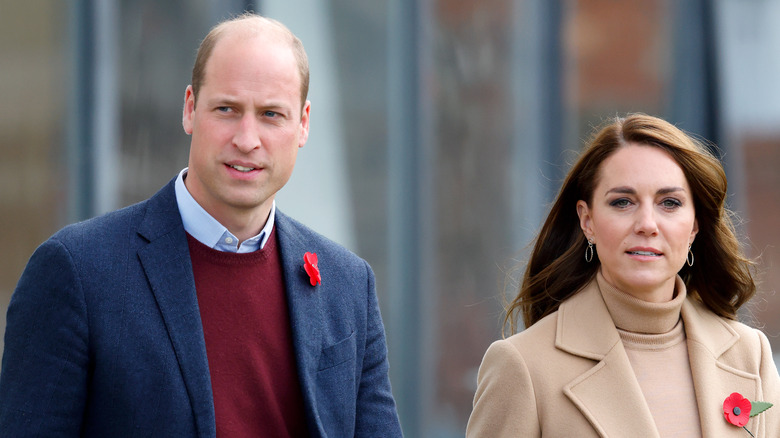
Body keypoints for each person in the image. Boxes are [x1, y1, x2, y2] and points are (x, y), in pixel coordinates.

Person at [0, 13, 402, 437]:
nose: (247, 139)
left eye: (270, 114)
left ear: (302, 124)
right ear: (190, 108)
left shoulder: (349, 285)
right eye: (227, 109)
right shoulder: (77, 272)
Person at [466, 113, 780, 437]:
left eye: (669, 202)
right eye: (623, 202)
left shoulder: (749, 354)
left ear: (695, 226)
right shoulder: (523, 366)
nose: (647, 223)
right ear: (587, 221)